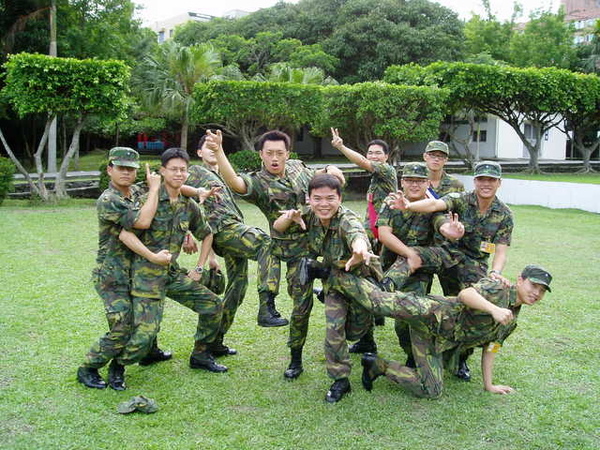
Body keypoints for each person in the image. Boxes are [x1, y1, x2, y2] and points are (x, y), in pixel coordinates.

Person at [210, 129, 344, 380]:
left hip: (311, 247)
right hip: (285, 249)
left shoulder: (296, 167)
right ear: (261, 154)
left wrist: (330, 169)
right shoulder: (258, 182)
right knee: (300, 303)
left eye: (279, 153)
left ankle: (298, 357)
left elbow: (318, 178)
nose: (274, 158)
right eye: (269, 153)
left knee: (306, 305)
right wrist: (219, 152)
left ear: (287, 154)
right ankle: (290, 347)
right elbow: (235, 183)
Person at [333, 264, 552, 398]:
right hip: (429, 312)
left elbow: (491, 348)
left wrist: (489, 385)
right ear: (520, 280)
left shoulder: (512, 320)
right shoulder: (499, 288)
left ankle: (377, 366)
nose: (536, 293)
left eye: (542, 291)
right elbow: (466, 294)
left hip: (435, 338)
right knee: (377, 303)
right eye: (533, 286)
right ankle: (335, 275)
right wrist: (493, 309)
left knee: (432, 390)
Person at [388, 160, 514, 381]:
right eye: (481, 179)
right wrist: (408, 206)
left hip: (473, 264)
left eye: (491, 180)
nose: (486, 184)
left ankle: (461, 358)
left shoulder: (504, 214)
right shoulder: (461, 199)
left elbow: (501, 250)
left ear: (499, 183)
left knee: (471, 310)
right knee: (413, 254)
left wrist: (495, 272)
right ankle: (385, 286)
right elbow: (434, 204)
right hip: (446, 252)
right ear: (475, 181)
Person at [119, 147, 227, 376]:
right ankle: (119, 366)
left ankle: (201, 355)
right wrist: (151, 256)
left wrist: (200, 267)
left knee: (213, 305)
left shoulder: (188, 205)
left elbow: (207, 234)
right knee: (145, 332)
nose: (179, 174)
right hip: (144, 276)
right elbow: (125, 233)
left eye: (183, 170)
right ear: (162, 171)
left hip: (171, 273)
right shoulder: (148, 199)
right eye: (173, 169)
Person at [273, 173, 381, 403]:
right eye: (317, 198)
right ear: (309, 199)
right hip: (334, 281)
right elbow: (277, 227)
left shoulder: (346, 219)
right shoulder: (308, 214)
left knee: (356, 326)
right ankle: (340, 379)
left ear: (340, 198)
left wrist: (360, 249)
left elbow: (357, 235)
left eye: (330, 198)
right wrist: (289, 217)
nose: (324, 204)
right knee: (334, 328)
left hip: (360, 281)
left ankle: (366, 334)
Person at [77, 147, 172, 391]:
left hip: (135, 271)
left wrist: (199, 192)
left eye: (131, 169)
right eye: (121, 168)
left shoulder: (135, 191)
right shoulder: (109, 200)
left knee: (144, 317)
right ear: (110, 169)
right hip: (112, 276)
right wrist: (154, 189)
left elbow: (170, 187)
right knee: (122, 327)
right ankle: (89, 367)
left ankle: (148, 352)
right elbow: (143, 221)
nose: (126, 173)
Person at [182, 134, 283, 358]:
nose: (212, 150)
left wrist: (211, 258)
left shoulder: (223, 176)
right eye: (207, 147)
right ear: (199, 153)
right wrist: (186, 232)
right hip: (226, 230)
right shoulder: (195, 172)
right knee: (265, 243)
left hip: (227, 234)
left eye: (215, 147)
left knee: (237, 288)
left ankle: (213, 342)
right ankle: (267, 306)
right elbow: (177, 193)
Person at [330, 128, 397, 253]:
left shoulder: (387, 170)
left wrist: (341, 147)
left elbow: (363, 162)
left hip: (387, 227)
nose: (373, 156)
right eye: (370, 153)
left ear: (386, 156)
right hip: (373, 225)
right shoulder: (375, 176)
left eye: (378, 153)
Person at [422, 140, 465, 296]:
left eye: (440, 156)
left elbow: (462, 213)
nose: (436, 159)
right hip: (422, 243)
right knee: (418, 295)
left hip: (448, 248)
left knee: (455, 294)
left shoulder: (456, 185)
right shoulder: (416, 181)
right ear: (425, 156)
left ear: (446, 160)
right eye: (432, 155)